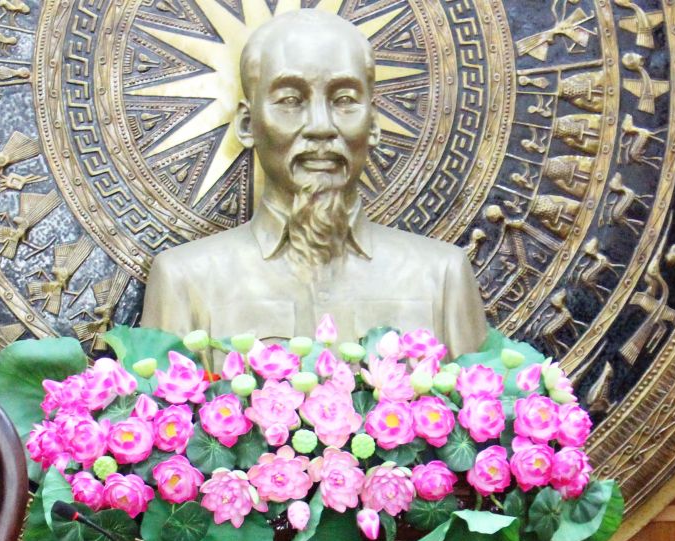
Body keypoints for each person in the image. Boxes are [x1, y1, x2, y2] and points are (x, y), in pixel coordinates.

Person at [141, 9, 488, 357]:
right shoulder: (184, 281)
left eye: (344, 101)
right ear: (247, 124)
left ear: (374, 122)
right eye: (291, 101)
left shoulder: (443, 278)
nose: (321, 126)